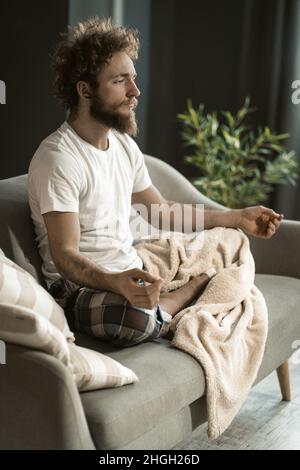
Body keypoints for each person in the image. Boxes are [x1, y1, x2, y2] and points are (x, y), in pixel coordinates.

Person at [28, 17, 283, 347]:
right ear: (85, 89)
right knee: (131, 318)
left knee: (231, 243)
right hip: (82, 290)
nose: (135, 92)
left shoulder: (123, 146)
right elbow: (65, 256)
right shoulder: (59, 157)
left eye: (132, 80)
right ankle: (186, 295)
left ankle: (166, 300)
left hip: (133, 267)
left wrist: (237, 217)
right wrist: (115, 281)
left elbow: (162, 212)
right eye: (121, 81)